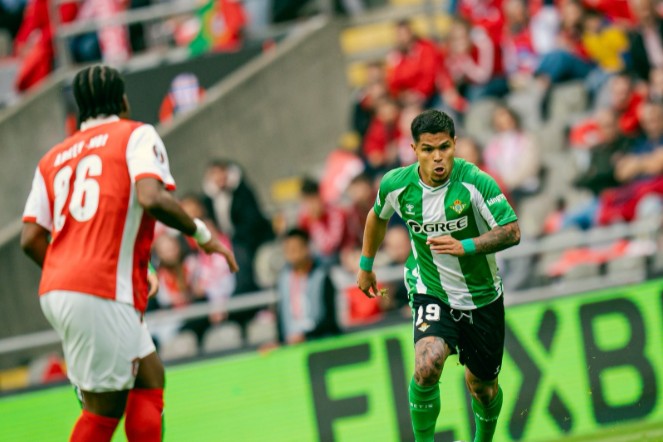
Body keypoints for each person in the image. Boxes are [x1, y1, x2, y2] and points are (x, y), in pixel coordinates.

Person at [20, 65, 238, 442]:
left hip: (62, 286)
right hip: (99, 289)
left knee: (150, 377)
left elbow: (30, 237)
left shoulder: (52, 158)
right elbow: (151, 197)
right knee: (103, 413)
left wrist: (71, 275)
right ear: (122, 100)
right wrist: (202, 234)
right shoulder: (135, 135)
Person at [356, 109, 520, 442]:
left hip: (481, 295)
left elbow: (512, 231)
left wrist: (467, 246)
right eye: (428, 149)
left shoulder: (476, 182)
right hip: (431, 288)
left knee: (483, 388)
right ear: (414, 149)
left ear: (454, 144)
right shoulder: (396, 185)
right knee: (427, 364)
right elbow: (377, 216)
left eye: (444, 147)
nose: (437, 157)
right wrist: (365, 265)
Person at [276, 228, 341, 345]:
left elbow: (330, 319)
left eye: (295, 249)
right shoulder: (283, 281)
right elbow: (281, 318)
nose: (291, 254)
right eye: (288, 250)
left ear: (306, 248)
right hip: (291, 345)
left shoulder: (322, 277)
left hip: (318, 343)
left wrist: (306, 336)